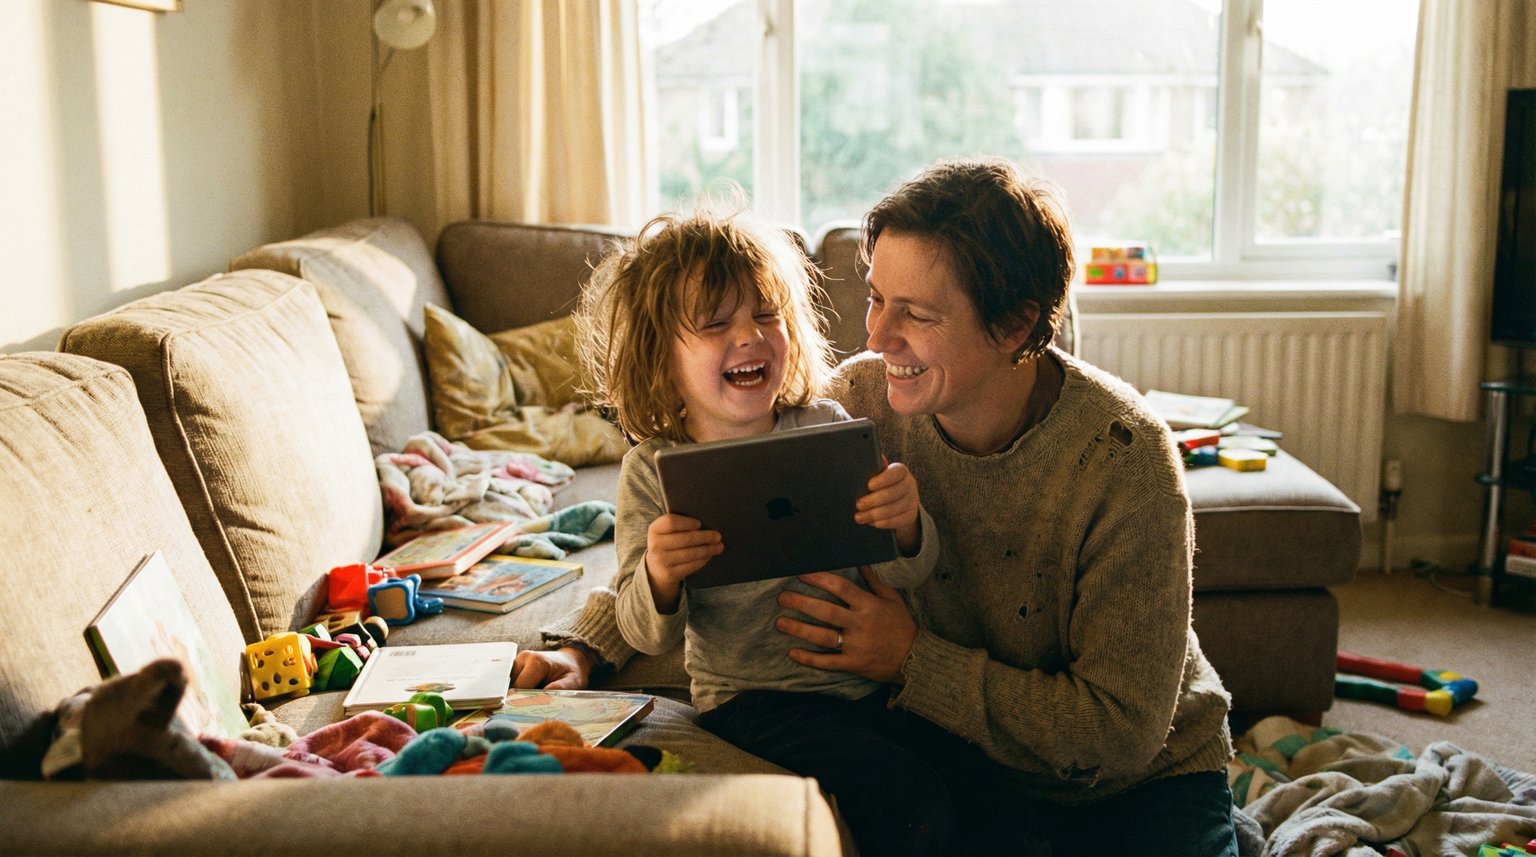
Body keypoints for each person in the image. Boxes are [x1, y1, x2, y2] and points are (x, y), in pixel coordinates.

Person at [518, 159, 1237, 856]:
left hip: (1135, 781)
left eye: (916, 314)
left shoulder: (1125, 463)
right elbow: (705, 531)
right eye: (875, 299)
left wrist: (909, 659)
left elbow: (1115, 733)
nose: (876, 338)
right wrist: (581, 647)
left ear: (1016, 326)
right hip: (948, 746)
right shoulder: (861, 403)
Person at [568, 204, 958, 856]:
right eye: (717, 323)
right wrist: (661, 576)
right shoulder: (651, 470)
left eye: (766, 315)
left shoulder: (826, 427)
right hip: (753, 705)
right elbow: (645, 631)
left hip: (870, 687)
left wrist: (909, 525)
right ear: (660, 354)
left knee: (984, 788)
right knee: (911, 802)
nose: (749, 335)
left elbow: (901, 570)